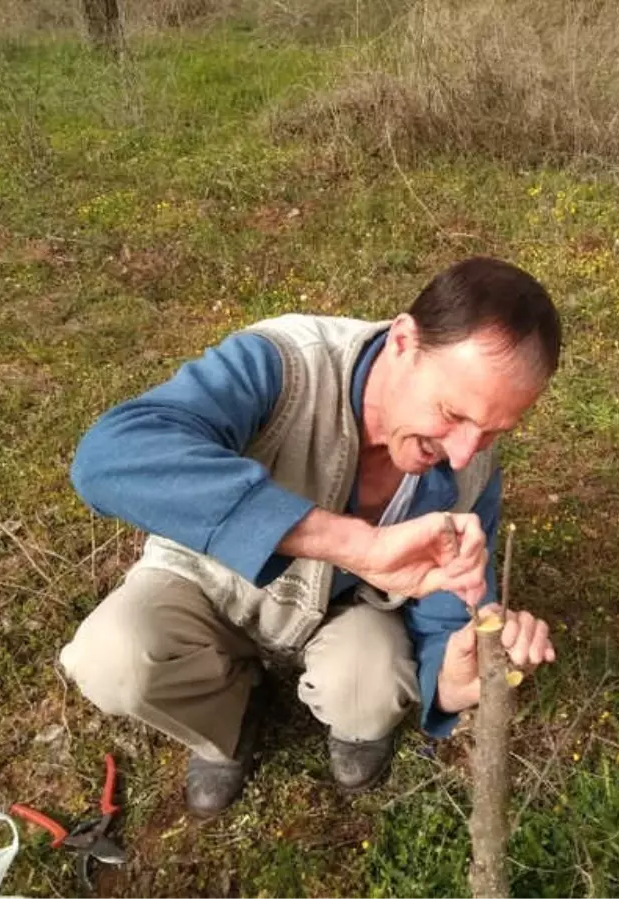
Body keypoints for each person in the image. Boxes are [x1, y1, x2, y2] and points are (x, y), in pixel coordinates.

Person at [59, 256, 561, 818]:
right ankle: (230, 716)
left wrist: (451, 675)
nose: (466, 451)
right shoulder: (285, 363)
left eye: (493, 430)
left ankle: (351, 724)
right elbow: (111, 458)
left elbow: (448, 610)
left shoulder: (471, 469)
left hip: (343, 611)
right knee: (113, 657)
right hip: (211, 578)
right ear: (402, 342)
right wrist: (354, 545)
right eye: (452, 413)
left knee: (370, 686)